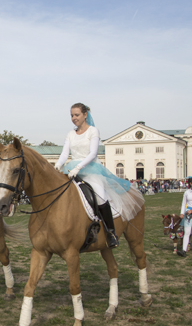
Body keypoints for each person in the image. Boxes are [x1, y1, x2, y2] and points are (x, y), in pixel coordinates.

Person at [54, 103, 144, 249]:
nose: (74, 118)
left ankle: (111, 232)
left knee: (100, 196)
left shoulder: (93, 131)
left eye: (76, 115)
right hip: (71, 170)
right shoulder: (70, 134)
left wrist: (78, 167)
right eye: (72, 115)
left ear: (85, 115)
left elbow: (92, 153)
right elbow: (65, 153)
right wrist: (58, 165)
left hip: (90, 169)